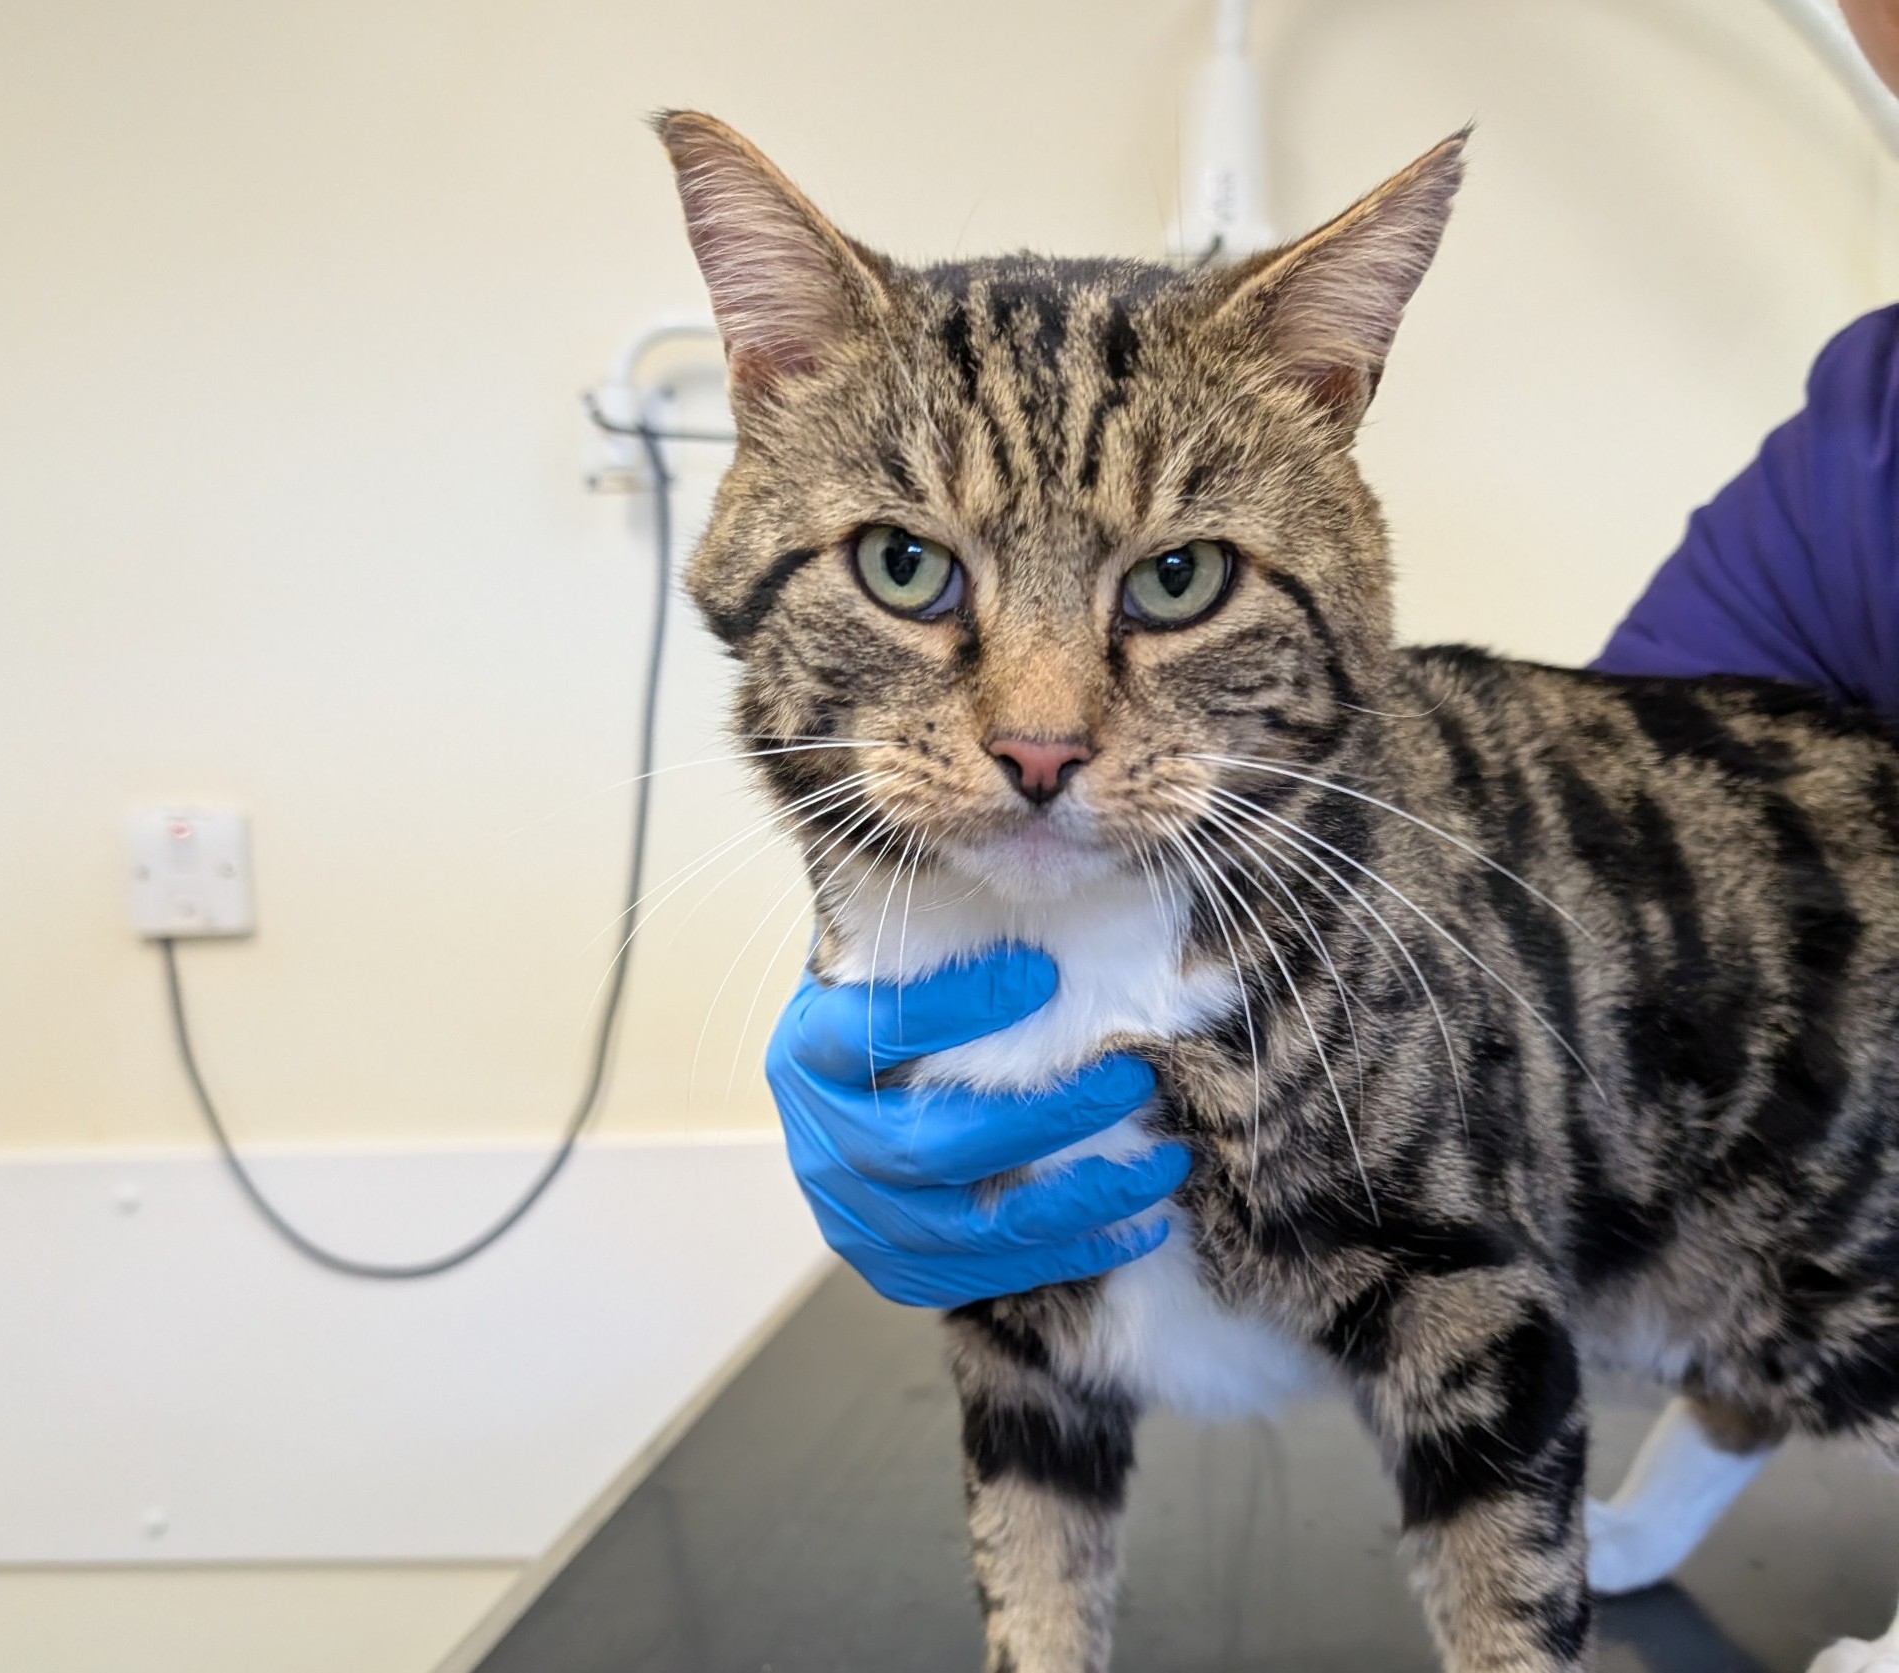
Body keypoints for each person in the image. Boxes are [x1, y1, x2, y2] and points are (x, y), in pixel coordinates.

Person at [767, 0, 1899, 1312]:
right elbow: (1620, 907)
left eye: (1173, 576)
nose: (1042, 723)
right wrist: (911, 918)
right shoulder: (1851, 474)